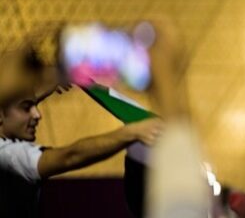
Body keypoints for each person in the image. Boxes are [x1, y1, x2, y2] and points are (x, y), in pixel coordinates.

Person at [0, 46, 163, 217]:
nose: (37, 114)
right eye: (27, 107)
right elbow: (69, 156)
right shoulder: (9, 156)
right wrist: (130, 132)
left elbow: (14, 107)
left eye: (35, 104)